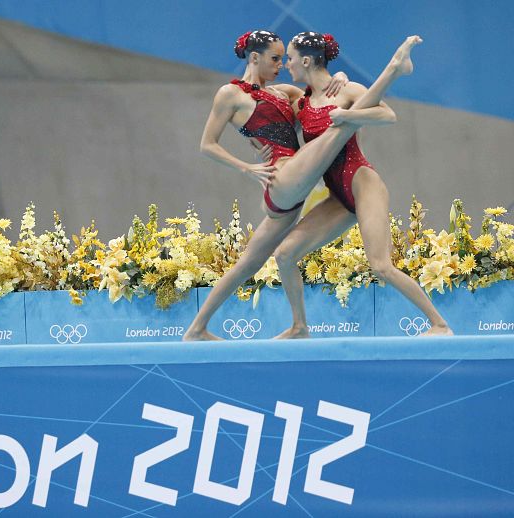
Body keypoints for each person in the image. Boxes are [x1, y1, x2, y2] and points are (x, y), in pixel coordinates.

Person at [184, 31, 428, 341]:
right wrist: (246, 167)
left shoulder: (285, 93)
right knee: (340, 127)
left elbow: (320, 99)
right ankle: (393, 68)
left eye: (285, 58)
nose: (282, 65)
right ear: (254, 57)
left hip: (295, 185)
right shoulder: (229, 94)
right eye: (276, 59)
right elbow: (207, 144)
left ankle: (198, 328)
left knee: (252, 262)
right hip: (280, 178)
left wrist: (339, 77)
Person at [272, 32, 451, 338]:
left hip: (363, 183)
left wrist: (347, 114)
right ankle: (300, 327)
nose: (286, 64)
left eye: (289, 58)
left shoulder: (346, 91)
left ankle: (440, 324)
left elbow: (388, 115)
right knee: (285, 255)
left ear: (306, 60)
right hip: (338, 197)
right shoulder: (302, 103)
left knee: (380, 265)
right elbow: (263, 96)